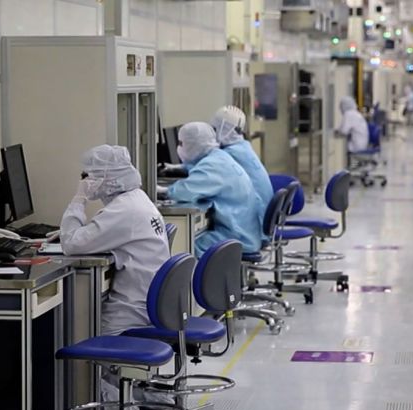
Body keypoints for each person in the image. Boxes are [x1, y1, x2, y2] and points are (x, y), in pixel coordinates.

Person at [60, 144, 169, 337]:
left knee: (76, 330)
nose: (84, 181)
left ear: (106, 179)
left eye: (87, 176)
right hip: (150, 304)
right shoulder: (137, 199)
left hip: (131, 314)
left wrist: (79, 198)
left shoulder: (124, 210)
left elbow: (70, 243)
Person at [158, 122, 262, 256]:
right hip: (245, 232)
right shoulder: (218, 157)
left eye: (182, 143)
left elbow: (183, 192)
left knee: (186, 244)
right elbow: (197, 172)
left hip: (238, 236)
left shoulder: (212, 165)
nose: (180, 148)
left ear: (194, 144)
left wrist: (161, 191)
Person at [210, 105, 272, 235]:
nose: (213, 134)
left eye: (215, 129)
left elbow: (208, 178)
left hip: (254, 224)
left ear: (224, 128)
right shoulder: (243, 148)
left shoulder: (231, 154)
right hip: (262, 219)